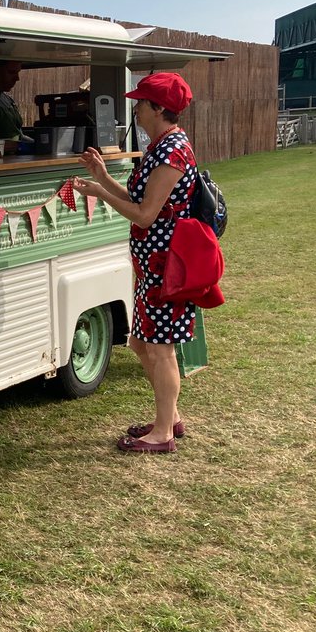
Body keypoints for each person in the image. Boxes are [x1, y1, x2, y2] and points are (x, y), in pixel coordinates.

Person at [70, 72, 198, 453]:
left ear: (159, 108)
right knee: (141, 344)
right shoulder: (160, 146)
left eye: (141, 103)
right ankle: (169, 418)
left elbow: (144, 215)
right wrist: (104, 178)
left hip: (166, 265)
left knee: (160, 349)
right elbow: (138, 197)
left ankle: (162, 433)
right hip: (150, 266)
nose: (136, 108)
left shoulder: (173, 151)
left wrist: (100, 194)